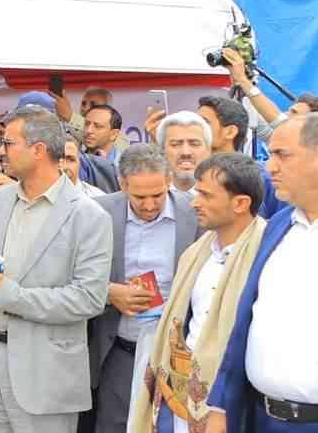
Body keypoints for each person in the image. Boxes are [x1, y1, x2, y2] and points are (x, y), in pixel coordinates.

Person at [0, 106, 112, 433]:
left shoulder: (89, 217)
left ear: (38, 150)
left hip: (45, 374)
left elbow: (89, 299)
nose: (0, 151)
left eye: (8, 143)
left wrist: (9, 295)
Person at [130, 153, 268, 433]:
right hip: (180, 398)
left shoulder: (266, 255)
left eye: (206, 195)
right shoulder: (196, 252)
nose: (194, 202)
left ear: (241, 203)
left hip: (234, 405)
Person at [205, 113, 318, 433]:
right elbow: (246, 321)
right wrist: (220, 405)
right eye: (270, 155)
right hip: (260, 418)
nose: (270, 168)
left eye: (282, 155)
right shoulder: (279, 226)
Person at [88, 144, 201, 433]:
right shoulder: (98, 212)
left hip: (176, 354)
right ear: (123, 184)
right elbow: (73, 273)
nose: (149, 205)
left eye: (158, 195)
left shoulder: (194, 214)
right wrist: (109, 292)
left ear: (169, 181)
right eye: (139, 197)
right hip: (119, 350)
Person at [195, 96, 283, 218]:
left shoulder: (263, 179)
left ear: (230, 132)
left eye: (204, 123)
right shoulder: (186, 174)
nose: (195, 128)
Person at [154, 112, 212, 198]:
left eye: (194, 144)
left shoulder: (223, 196)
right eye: (175, 144)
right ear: (162, 151)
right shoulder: (149, 195)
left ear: (208, 151)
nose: (185, 152)